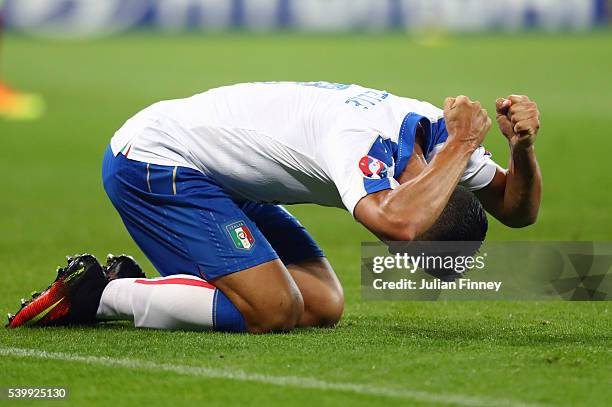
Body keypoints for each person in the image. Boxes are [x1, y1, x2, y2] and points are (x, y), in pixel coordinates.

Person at [7, 81, 541, 333]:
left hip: (222, 180)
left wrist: (521, 150)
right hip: (152, 160)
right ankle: (99, 294)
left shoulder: (442, 149)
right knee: (272, 309)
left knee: (322, 305)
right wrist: (463, 146)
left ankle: (158, 282)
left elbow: (518, 211)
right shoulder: (366, 137)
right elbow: (400, 221)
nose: (388, 239)